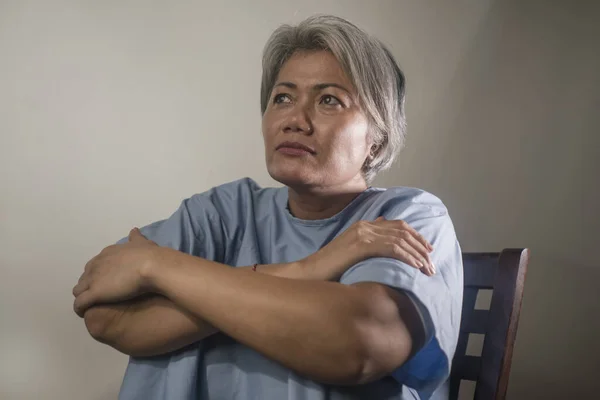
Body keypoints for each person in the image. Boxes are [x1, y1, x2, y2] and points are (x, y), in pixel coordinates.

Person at [73, 14, 463, 400]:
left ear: (376, 140)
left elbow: (361, 345)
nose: (295, 119)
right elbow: (102, 312)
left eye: (329, 100)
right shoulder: (224, 211)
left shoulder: (407, 217)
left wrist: (156, 267)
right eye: (283, 97)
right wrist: (306, 270)